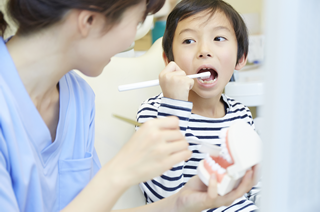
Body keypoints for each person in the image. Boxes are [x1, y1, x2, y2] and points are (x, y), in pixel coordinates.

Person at [0, 0, 258, 211]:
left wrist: (181, 203)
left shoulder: (78, 99)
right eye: (136, 21)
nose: (130, 41)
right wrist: (121, 170)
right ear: (89, 20)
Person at [136, 0, 261, 211]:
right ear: (169, 61)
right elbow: (163, 197)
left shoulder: (241, 114)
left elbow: (250, 185)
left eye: (219, 38)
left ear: (240, 58)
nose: (204, 50)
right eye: (188, 41)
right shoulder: (155, 113)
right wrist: (174, 107)